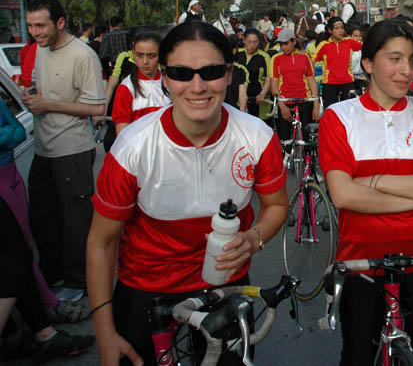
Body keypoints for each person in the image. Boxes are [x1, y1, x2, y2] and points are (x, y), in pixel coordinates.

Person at [86, 21, 288, 366]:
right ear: (164, 78)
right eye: (181, 73)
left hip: (225, 282)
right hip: (147, 286)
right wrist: (105, 333)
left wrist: (254, 239)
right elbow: (101, 243)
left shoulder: (257, 136)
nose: (197, 87)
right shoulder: (132, 146)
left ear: (229, 74)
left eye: (211, 72)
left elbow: (276, 205)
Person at [318, 19, 413, 366]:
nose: (406, 70)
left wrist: (375, 180)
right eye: (395, 59)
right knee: (358, 356)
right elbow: (343, 195)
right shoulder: (339, 117)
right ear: (367, 63)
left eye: (412, 61)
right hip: (361, 263)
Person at [22, 0, 106, 302]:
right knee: (43, 216)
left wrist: (48, 104)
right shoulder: (40, 49)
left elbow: (97, 107)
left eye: (40, 25)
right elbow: (37, 83)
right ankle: (51, 274)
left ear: (60, 22)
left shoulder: (83, 56)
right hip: (42, 148)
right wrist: (32, 94)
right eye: (30, 26)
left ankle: (78, 281)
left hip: (72, 150)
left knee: (75, 220)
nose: (34, 32)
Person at [1, 97, 96, 361]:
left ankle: (39, 330)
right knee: (12, 267)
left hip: (9, 172)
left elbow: (18, 131)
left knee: (19, 254)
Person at [110, 31, 170, 135]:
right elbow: (122, 133)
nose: (145, 61)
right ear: (133, 54)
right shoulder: (126, 87)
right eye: (140, 55)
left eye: (151, 56)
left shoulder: (172, 83)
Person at [269, 29, 320, 143]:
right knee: (284, 140)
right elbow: (274, 85)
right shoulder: (276, 59)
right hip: (285, 100)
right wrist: (282, 106)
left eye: (286, 44)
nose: (283, 47)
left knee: (306, 140)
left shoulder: (304, 57)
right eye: (281, 44)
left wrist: (316, 105)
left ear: (294, 41)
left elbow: (311, 80)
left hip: (305, 100)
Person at [315, 16, 362, 107]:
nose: (340, 31)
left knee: (350, 110)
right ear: (330, 30)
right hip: (329, 83)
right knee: (331, 110)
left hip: (348, 81)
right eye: (337, 28)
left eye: (342, 28)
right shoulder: (324, 45)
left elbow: (367, 46)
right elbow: (312, 60)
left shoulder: (349, 42)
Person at [236, 28, 271, 119]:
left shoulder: (264, 56)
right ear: (244, 40)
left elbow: (268, 78)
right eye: (249, 42)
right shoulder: (237, 54)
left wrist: (262, 94)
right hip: (238, 97)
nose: (252, 45)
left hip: (257, 98)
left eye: (255, 42)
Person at [224, 35, 249, 112]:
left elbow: (242, 93)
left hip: (234, 110)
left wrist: (242, 112)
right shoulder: (214, 67)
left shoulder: (241, 70)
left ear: (234, 50)